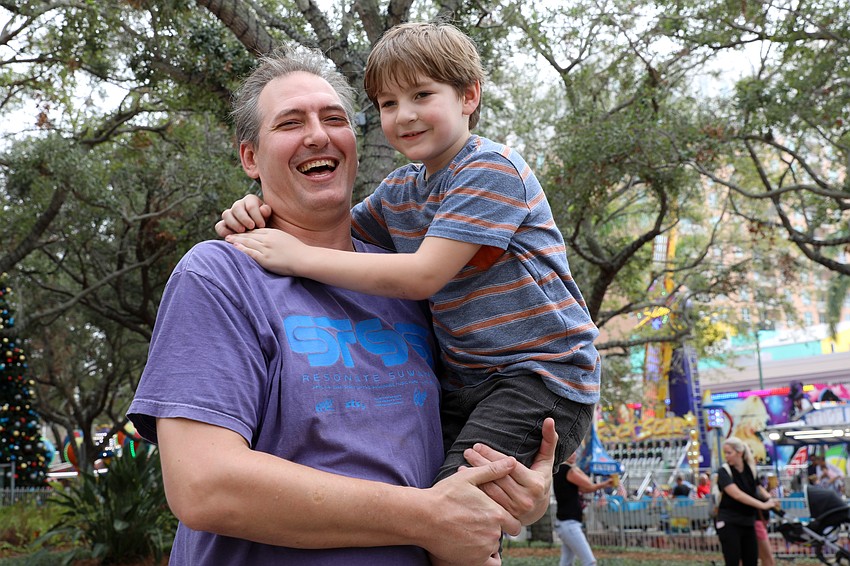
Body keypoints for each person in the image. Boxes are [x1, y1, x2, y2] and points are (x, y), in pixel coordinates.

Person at [127, 47, 559, 566]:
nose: (317, 134)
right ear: (250, 158)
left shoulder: (408, 279)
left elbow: (468, 444)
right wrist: (428, 517)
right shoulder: (219, 275)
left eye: (334, 118)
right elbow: (204, 485)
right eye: (290, 122)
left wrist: (516, 492)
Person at [215, 20, 601, 484]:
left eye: (422, 95)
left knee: (459, 506)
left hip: (538, 378)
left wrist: (294, 257)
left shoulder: (490, 169)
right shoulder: (401, 191)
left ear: (469, 95)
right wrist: (256, 208)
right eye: (388, 104)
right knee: (427, 494)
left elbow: (421, 275)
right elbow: (329, 231)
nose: (404, 115)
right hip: (466, 384)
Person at [715, 437, 780, 566]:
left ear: (739, 453)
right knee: (733, 560)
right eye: (725, 453)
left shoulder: (750, 469)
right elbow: (737, 494)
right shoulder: (724, 471)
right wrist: (763, 505)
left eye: (729, 453)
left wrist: (769, 499)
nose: (726, 457)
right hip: (730, 521)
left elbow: (757, 487)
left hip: (748, 521)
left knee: (751, 559)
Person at [552, 452, 612, 566]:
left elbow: (585, 489)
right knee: (589, 562)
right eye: (570, 452)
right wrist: (604, 484)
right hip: (569, 524)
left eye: (575, 452)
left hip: (566, 523)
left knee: (566, 562)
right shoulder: (567, 470)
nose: (574, 454)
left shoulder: (561, 470)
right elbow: (588, 484)